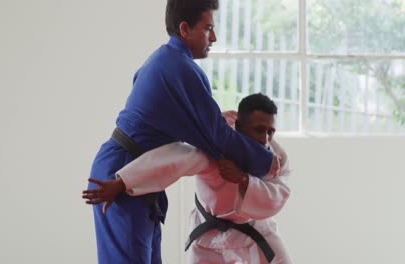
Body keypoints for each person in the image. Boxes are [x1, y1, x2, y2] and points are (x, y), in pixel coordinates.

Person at [86, 0, 276, 263]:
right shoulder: (181, 69)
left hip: (131, 170)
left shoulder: (163, 59)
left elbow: (186, 125)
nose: (215, 37)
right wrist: (266, 161)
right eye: (208, 28)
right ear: (185, 29)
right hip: (122, 172)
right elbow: (217, 138)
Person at [84, 94, 293, 264]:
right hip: (208, 237)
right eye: (258, 130)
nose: (265, 139)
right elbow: (172, 160)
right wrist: (122, 182)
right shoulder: (214, 148)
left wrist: (244, 179)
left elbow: (280, 194)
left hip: (255, 232)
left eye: (271, 132)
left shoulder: (275, 158)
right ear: (238, 125)